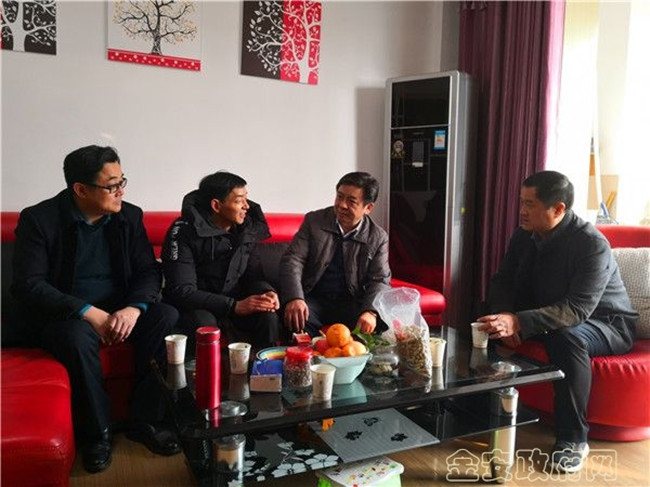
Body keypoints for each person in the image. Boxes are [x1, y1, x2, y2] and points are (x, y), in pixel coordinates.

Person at [11, 145, 181, 473]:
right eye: (111, 185)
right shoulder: (39, 220)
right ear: (81, 189)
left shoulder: (129, 216)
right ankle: (97, 434)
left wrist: (134, 308)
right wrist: (87, 311)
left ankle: (146, 421)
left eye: (122, 181)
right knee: (76, 338)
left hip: (120, 309)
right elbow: (29, 284)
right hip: (68, 314)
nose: (121, 192)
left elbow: (148, 270)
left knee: (166, 316)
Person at [477, 170, 637, 473]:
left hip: (605, 323)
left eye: (530, 204)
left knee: (568, 337)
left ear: (558, 209)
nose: (521, 211)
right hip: (551, 314)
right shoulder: (523, 235)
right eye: (521, 202)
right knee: (486, 315)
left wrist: (519, 323)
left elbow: (577, 309)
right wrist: (505, 316)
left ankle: (573, 438)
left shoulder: (591, 244)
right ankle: (483, 407)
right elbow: (503, 281)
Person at [161, 171, 281, 350]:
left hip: (234, 301)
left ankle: (264, 365)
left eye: (246, 198)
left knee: (267, 315)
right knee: (204, 324)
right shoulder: (182, 232)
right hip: (196, 305)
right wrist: (234, 306)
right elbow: (182, 290)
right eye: (239, 201)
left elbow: (253, 275)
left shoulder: (245, 229)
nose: (247, 206)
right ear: (216, 205)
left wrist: (266, 292)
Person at [280, 171, 391, 337]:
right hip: (313, 298)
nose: (342, 205)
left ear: (368, 208)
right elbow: (293, 259)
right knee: (296, 320)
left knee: (375, 326)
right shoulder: (314, 221)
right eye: (339, 197)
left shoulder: (377, 237)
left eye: (351, 201)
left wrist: (370, 312)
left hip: (352, 302)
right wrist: (295, 297)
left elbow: (380, 279)